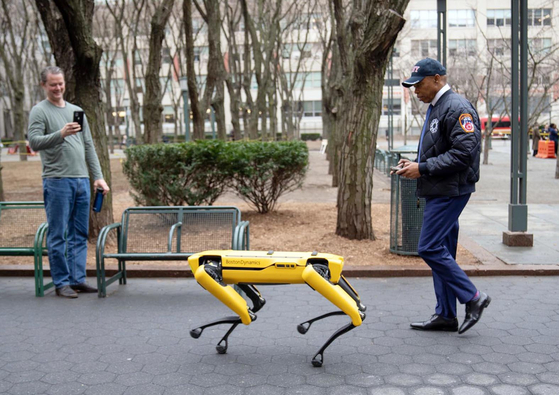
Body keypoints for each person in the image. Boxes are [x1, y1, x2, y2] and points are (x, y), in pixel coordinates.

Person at [393, 58, 490, 334]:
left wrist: (421, 168)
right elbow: (442, 150)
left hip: (450, 191)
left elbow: (463, 154)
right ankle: (446, 315)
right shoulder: (438, 107)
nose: (415, 90)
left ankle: (474, 298)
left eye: (419, 84)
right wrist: (412, 164)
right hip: (441, 189)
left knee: (429, 247)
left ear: (437, 79)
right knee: (442, 249)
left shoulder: (457, 107)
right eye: (412, 86)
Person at [28, 66, 110, 299]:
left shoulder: (77, 111)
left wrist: (98, 177)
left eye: (60, 83)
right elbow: (34, 142)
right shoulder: (39, 111)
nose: (57, 88)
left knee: (79, 233)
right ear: (43, 85)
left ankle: (77, 279)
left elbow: (89, 147)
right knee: (58, 234)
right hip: (57, 181)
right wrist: (60, 134)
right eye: (53, 84)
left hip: (82, 181)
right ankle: (61, 282)